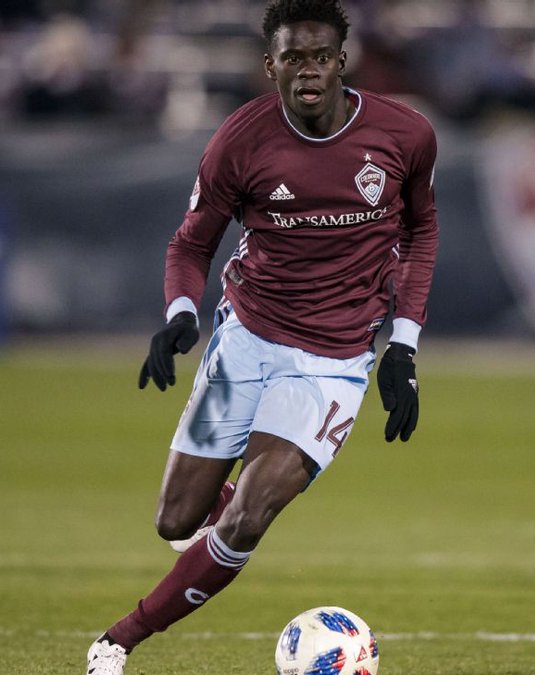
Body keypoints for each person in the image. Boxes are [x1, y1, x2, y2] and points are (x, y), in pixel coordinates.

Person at [86, 1, 439, 672]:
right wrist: (180, 315)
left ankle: (120, 637)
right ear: (270, 64)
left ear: (342, 61)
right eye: (292, 58)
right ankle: (215, 506)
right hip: (245, 341)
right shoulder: (240, 141)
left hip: (334, 361)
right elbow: (190, 245)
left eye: (320, 57)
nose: (307, 71)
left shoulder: (405, 134)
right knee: (175, 521)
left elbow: (422, 230)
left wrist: (404, 344)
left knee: (252, 512)